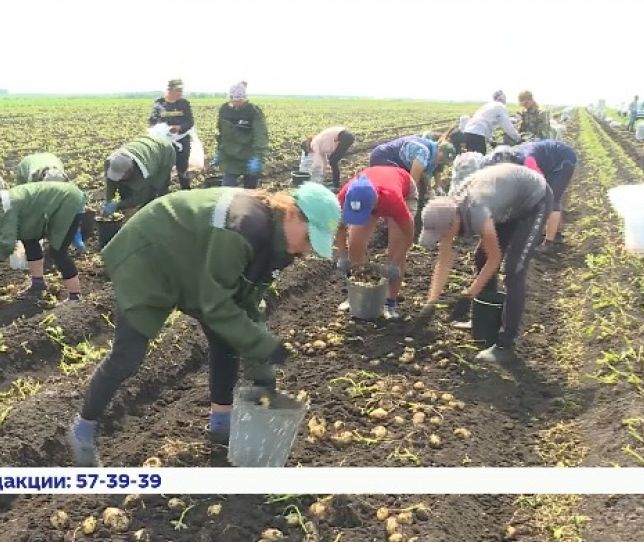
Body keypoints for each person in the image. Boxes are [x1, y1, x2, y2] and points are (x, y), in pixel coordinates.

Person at [66, 182, 342, 466]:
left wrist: (262, 369)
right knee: (128, 356)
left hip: (194, 258)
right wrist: (263, 346)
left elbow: (246, 302)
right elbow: (217, 306)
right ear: (293, 214)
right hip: (151, 253)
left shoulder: (278, 242)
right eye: (309, 239)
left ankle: (221, 424)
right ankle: (83, 428)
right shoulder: (243, 228)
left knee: (226, 339)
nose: (308, 251)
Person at [415, 163, 552, 363]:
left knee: (514, 269)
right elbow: (443, 260)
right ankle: (485, 320)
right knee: (481, 257)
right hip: (506, 202)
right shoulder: (448, 209)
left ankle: (506, 344)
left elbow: (495, 259)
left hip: (534, 200)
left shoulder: (477, 211)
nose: (441, 238)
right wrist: (431, 303)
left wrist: (467, 296)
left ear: (453, 223)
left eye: (441, 234)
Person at [0, 182, 85, 301]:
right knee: (29, 239)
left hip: (66, 201)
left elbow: (6, 244)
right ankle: (38, 284)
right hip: (54, 202)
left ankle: (75, 297)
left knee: (57, 252)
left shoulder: (5, 208)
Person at [333, 166, 418, 319]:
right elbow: (338, 226)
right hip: (373, 190)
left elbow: (408, 233)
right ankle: (357, 295)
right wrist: (343, 255)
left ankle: (389, 302)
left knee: (395, 250)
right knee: (355, 244)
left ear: (374, 204)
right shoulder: (345, 195)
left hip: (404, 190)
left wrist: (395, 264)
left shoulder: (393, 199)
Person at [484, 141, 579, 255]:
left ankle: (548, 243)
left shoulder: (528, 161)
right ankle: (555, 229)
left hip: (564, 159)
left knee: (553, 199)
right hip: (546, 160)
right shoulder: (513, 157)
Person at [14, 152, 86, 253]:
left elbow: (76, 208)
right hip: (26, 166)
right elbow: (33, 208)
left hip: (52, 158)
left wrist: (76, 233)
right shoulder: (33, 182)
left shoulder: (68, 185)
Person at [102, 135, 176, 218]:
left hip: (164, 152)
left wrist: (118, 205)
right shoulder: (111, 162)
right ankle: (128, 211)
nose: (118, 179)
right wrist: (108, 200)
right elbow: (111, 181)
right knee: (125, 190)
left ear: (130, 171)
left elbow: (141, 197)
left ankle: (158, 214)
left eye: (122, 176)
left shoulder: (144, 172)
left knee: (156, 188)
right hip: (144, 142)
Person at [212, 82, 268, 189]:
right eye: (235, 99)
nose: (237, 102)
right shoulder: (224, 110)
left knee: (250, 192)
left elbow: (261, 135)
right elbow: (221, 133)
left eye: (240, 100)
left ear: (245, 98)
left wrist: (258, 157)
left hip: (249, 156)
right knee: (226, 190)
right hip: (230, 157)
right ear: (230, 97)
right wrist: (219, 151)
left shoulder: (253, 111)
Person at [148, 78, 196, 190]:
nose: (180, 93)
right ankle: (163, 193)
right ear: (170, 90)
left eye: (181, 90)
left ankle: (186, 191)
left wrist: (179, 127)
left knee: (182, 168)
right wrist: (163, 128)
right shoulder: (159, 103)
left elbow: (190, 122)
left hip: (181, 140)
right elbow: (152, 121)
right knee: (165, 169)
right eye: (178, 90)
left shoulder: (184, 104)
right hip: (165, 142)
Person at [369, 135, 456, 192]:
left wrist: (433, 189)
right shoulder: (424, 152)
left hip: (399, 162)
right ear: (439, 149)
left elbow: (425, 175)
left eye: (444, 161)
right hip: (383, 158)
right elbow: (414, 181)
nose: (441, 162)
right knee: (398, 190)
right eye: (441, 159)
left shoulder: (434, 153)